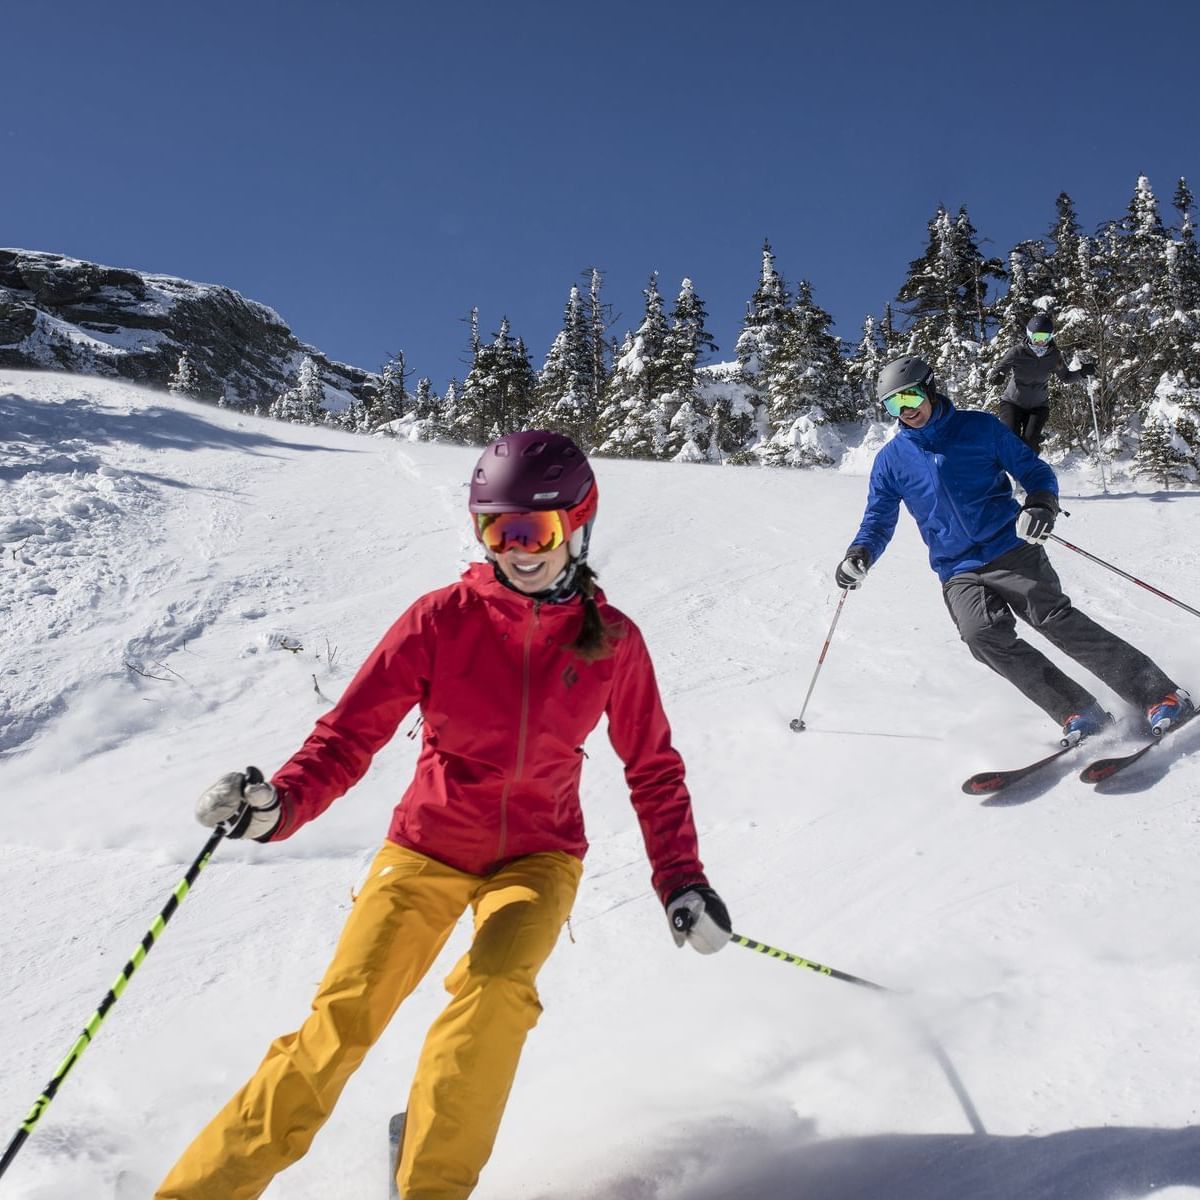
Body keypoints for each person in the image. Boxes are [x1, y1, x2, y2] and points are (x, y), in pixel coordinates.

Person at [154, 431, 732, 1200]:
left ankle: (431, 1187)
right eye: (500, 530)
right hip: (426, 847)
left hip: (538, 856)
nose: (519, 550)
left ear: (577, 529)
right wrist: (279, 807)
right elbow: (348, 732)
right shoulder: (441, 619)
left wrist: (682, 881)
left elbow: (653, 768)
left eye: (536, 531)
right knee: (339, 1026)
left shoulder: (614, 643)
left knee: (495, 994)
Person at [835, 355, 1192, 743]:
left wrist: (1040, 503)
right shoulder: (891, 461)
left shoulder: (980, 428)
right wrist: (860, 553)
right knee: (981, 636)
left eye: (911, 398)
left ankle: (1160, 694)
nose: (906, 411)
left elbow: (1034, 471)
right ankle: (1080, 711)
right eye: (894, 405)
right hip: (957, 568)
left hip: (1010, 547)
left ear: (930, 388)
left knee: (1054, 620)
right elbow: (878, 517)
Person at [986, 311, 1096, 453]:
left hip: (1038, 406)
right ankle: (1005, 468)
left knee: (1030, 441)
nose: (1041, 341)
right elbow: (998, 370)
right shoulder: (1017, 352)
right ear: (1029, 335)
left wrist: (1082, 372)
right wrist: (998, 377)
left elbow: (1066, 377)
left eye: (1046, 337)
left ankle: (1028, 471)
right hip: (1012, 403)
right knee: (1010, 439)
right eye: (1037, 337)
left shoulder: (1054, 355)